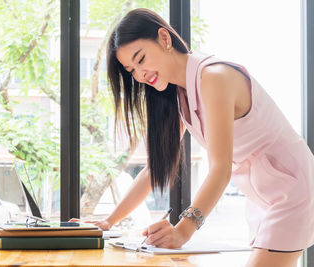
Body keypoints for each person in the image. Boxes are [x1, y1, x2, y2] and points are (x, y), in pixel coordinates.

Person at [73, 8, 314, 267]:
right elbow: (155, 169)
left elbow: (220, 169)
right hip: (264, 197)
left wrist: (183, 230)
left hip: (294, 191)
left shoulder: (214, 78)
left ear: (164, 39)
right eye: (132, 70)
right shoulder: (178, 93)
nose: (140, 75)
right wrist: (110, 221)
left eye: (141, 59)